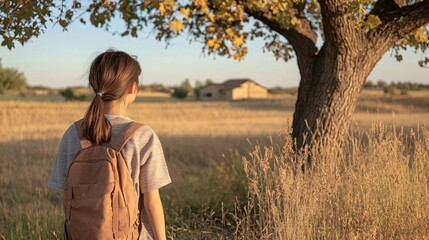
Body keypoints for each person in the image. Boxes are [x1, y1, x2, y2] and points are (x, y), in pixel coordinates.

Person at [48, 50, 171, 240]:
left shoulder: (73, 133)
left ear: (92, 85)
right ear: (132, 88)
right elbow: (152, 202)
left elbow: (64, 192)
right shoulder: (143, 136)